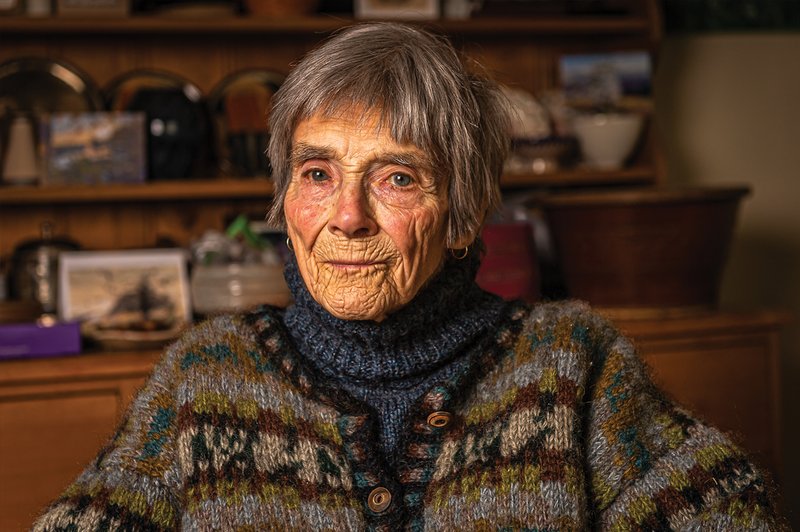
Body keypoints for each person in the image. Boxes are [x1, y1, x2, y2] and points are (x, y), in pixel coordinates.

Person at [34, 22, 783, 531]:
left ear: (462, 214)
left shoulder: (570, 365)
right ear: (284, 198)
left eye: (396, 177)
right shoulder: (207, 379)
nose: (347, 216)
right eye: (318, 172)